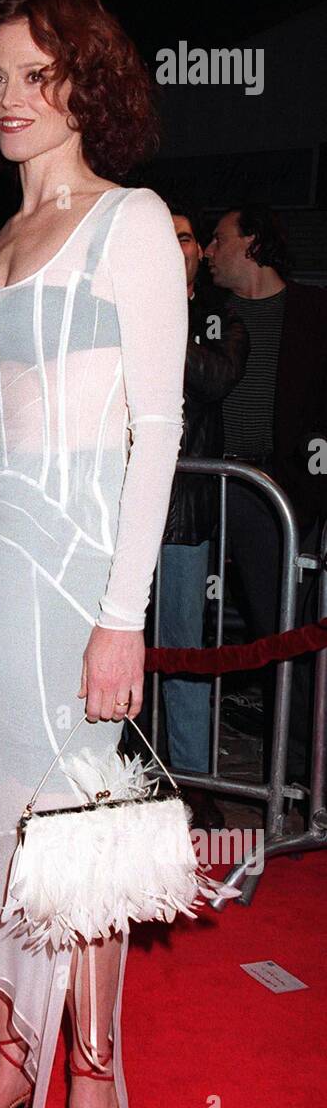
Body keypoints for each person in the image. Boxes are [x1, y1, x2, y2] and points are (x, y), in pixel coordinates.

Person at [0, 0, 232, 1108]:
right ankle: (9, 1058)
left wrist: (122, 612)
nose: (9, 97)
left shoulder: (128, 220)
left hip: (76, 577)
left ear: (87, 83)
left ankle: (89, 1078)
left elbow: (159, 424)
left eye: (36, 74)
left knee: (79, 840)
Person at [205, 204, 327, 784]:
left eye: (218, 239)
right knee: (271, 633)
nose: (207, 251)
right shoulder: (213, 316)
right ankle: (295, 766)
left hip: (295, 491)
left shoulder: (314, 311)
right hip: (227, 490)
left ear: (252, 243)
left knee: (294, 633)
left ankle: (304, 766)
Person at [157, 205, 249, 827]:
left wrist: (163, 324)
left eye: (185, 237)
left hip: (182, 514)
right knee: (114, 648)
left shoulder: (215, 317)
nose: (174, 244)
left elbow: (215, 379)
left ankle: (188, 777)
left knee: (182, 647)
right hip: (106, 511)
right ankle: (119, 772)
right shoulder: (116, 311)